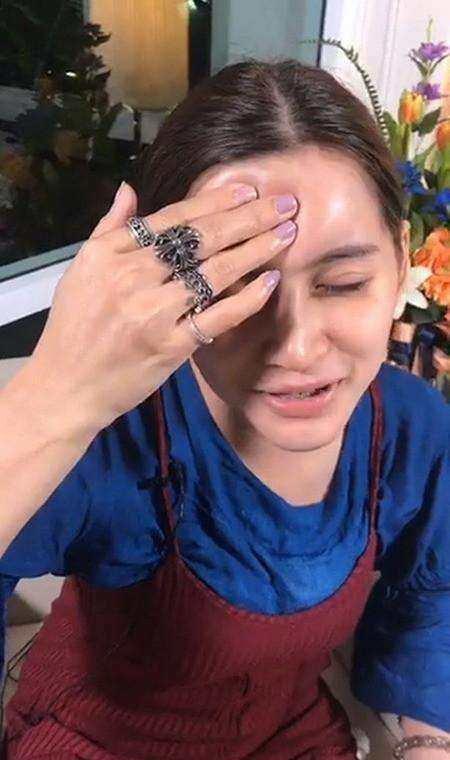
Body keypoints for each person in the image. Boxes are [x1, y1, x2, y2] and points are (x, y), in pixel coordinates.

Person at [0, 59, 449, 760]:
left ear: (398, 263)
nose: (297, 348)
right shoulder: (117, 434)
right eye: (236, 290)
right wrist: (55, 394)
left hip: (287, 735)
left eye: (344, 283)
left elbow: (433, 594)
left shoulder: (412, 428)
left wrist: (426, 739)